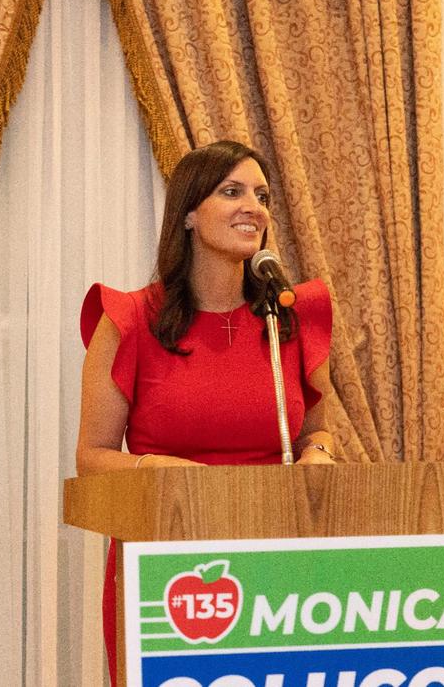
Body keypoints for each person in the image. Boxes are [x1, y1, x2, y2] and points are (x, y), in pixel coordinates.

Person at [75, 140, 337, 683]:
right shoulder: (128, 319)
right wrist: (168, 474)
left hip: (279, 565)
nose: (254, 207)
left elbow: (321, 430)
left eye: (261, 195)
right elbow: (92, 458)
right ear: (189, 214)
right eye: (232, 191)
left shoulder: (291, 314)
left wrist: (318, 457)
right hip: (170, 571)